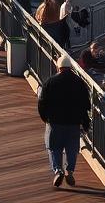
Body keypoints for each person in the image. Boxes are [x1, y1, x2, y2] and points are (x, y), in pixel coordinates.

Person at [37, 53, 91, 188]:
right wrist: (85, 122)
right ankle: (69, 170)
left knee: (53, 147)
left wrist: (45, 117)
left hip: (55, 122)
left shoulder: (50, 82)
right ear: (71, 68)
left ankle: (58, 170)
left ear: (58, 67)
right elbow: (85, 105)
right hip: (73, 123)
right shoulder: (79, 83)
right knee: (72, 149)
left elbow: (42, 102)